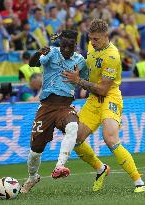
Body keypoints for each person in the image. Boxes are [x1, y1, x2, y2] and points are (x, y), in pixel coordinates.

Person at [62, 18, 145, 193]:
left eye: (96, 39)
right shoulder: (92, 48)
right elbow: (90, 71)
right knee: (75, 139)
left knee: (110, 138)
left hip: (110, 97)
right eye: (90, 38)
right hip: (94, 99)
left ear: (106, 36)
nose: (92, 42)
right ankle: (101, 169)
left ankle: (139, 182)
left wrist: (79, 81)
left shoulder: (112, 56)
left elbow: (103, 89)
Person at [20, 29, 88, 193]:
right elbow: (32, 63)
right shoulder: (52, 53)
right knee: (35, 152)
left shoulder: (80, 61)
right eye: (63, 45)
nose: (65, 48)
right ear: (60, 43)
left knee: (73, 127)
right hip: (46, 107)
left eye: (69, 46)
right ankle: (32, 177)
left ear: (75, 45)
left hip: (65, 106)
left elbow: (86, 80)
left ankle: (60, 166)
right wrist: (38, 52)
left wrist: (81, 83)